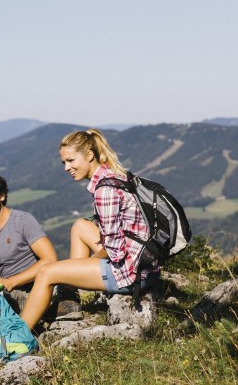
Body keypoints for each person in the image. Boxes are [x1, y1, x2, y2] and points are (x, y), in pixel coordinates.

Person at [20, 128, 160, 329]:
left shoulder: (105, 190)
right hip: (145, 262)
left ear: (89, 155)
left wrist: (76, 268)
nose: (66, 167)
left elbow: (115, 251)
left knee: (46, 272)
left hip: (131, 273)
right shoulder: (114, 175)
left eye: (71, 161)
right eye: (64, 162)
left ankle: (18, 339)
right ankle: (70, 300)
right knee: (80, 226)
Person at [0, 171, 63, 313]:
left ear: (1, 196)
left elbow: (50, 259)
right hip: (1, 291)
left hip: (30, 289)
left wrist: (11, 282)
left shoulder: (23, 221)